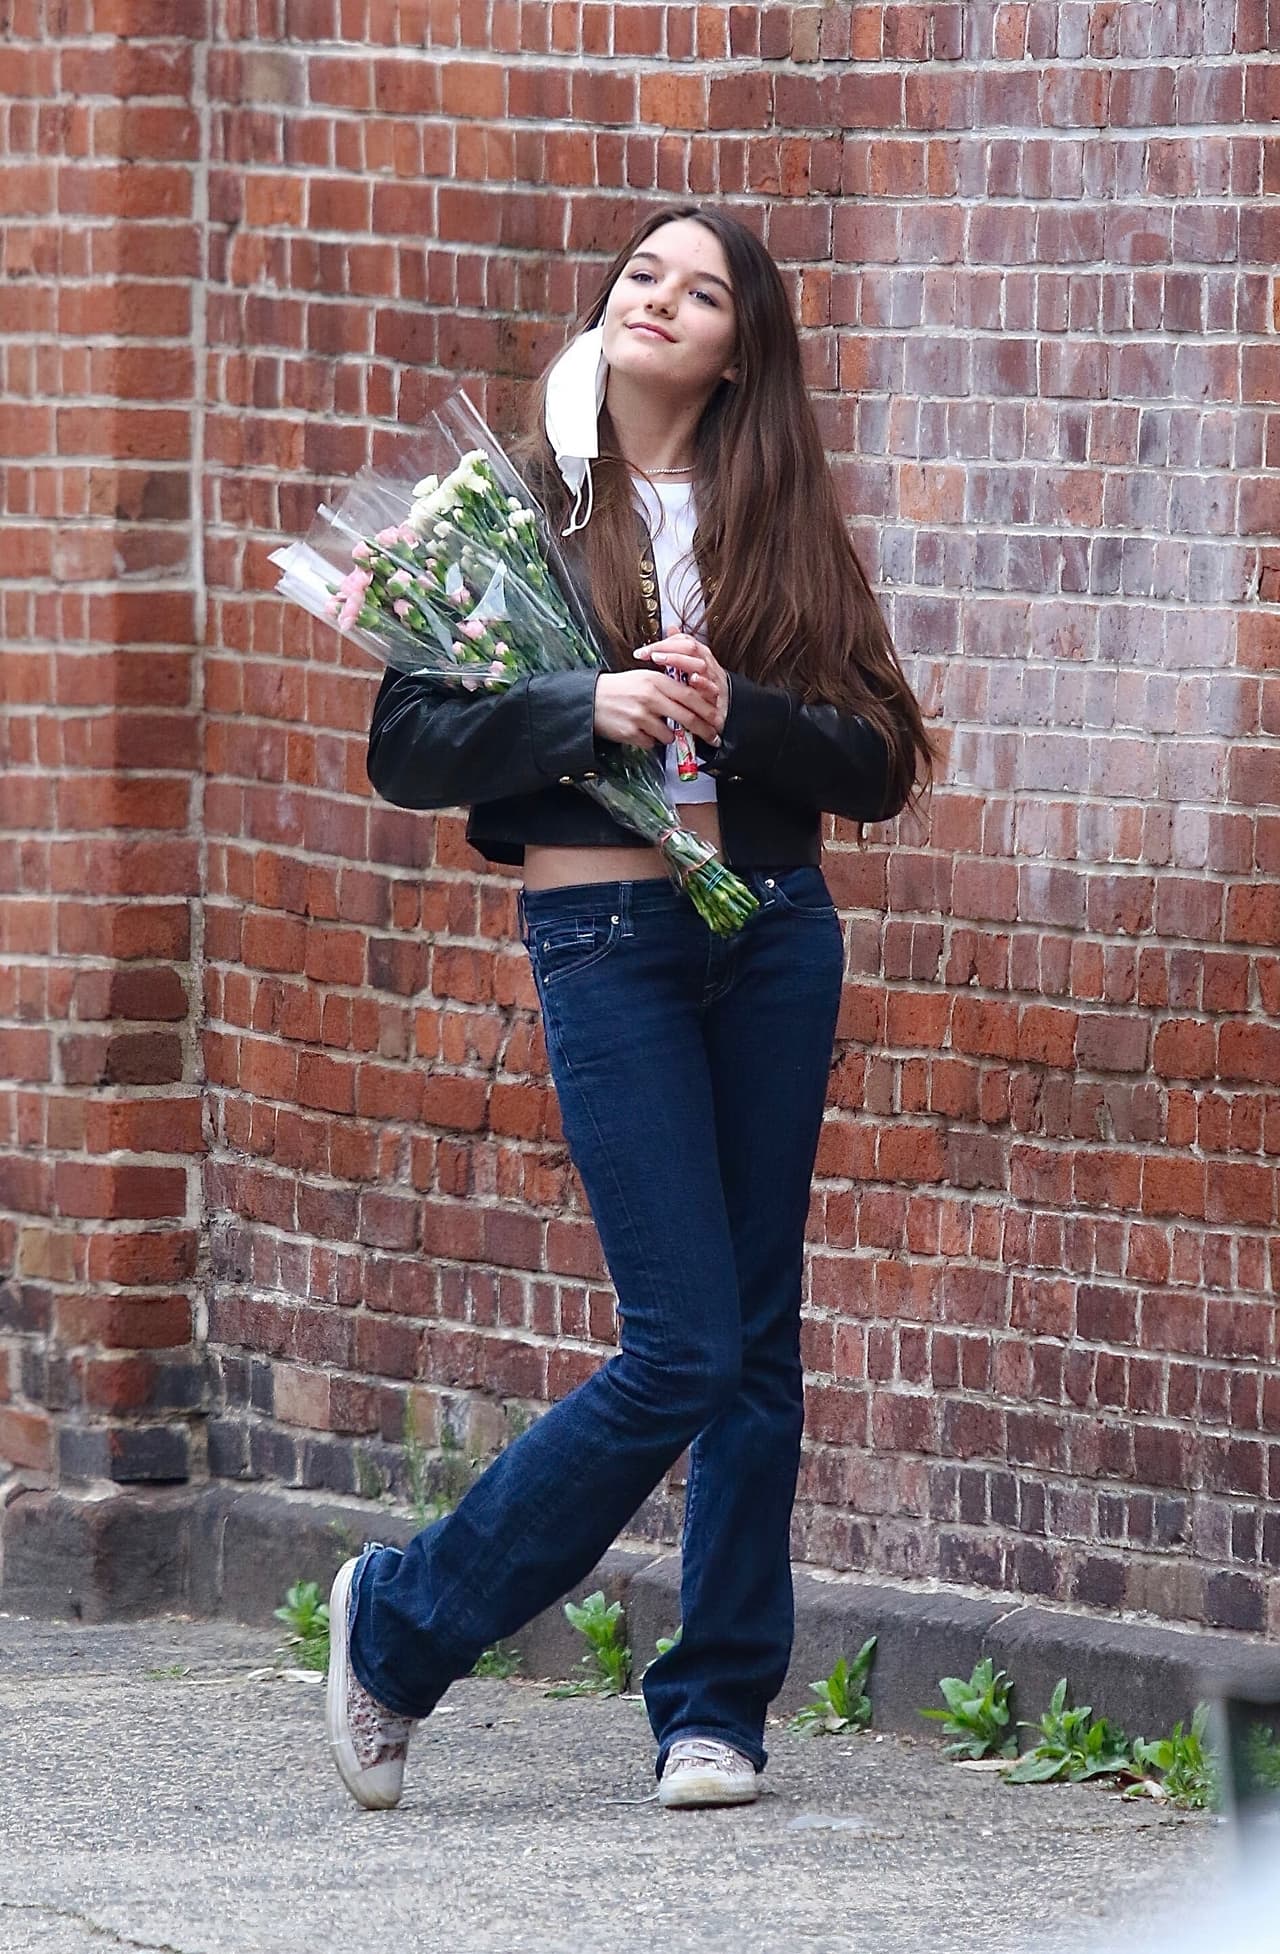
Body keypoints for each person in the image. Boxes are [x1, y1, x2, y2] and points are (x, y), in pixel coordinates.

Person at [326, 204, 935, 1814]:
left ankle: (718, 1706)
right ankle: (397, 1622)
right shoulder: (512, 504)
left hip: (775, 936)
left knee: (757, 1346)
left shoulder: (779, 522)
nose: (661, 300)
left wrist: (745, 724)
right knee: (679, 1345)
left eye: (704, 287)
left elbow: (881, 755)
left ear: (746, 344)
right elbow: (405, 745)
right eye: (643, 275)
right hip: (606, 934)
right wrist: (575, 703)